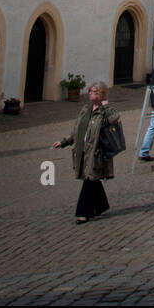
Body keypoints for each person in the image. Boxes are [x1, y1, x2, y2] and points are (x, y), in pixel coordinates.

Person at [53, 81, 120, 223]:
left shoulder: (104, 111)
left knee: (89, 180)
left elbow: (115, 118)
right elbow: (77, 130)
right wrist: (64, 142)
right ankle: (101, 206)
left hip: (96, 153)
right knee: (92, 180)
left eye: (94, 91)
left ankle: (83, 212)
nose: (90, 93)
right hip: (83, 151)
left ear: (101, 94)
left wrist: (106, 106)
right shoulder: (85, 109)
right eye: (90, 91)